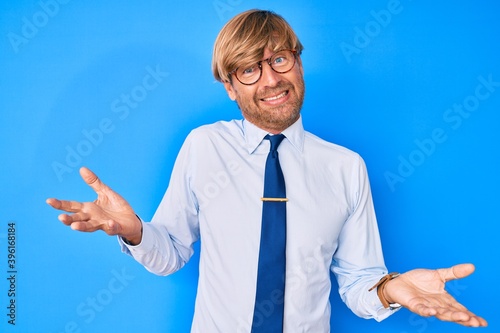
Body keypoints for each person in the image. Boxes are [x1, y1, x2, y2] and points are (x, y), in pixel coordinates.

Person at [46, 9, 487, 332]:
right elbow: (172, 252)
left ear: (297, 63)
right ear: (231, 88)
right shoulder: (205, 147)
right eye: (249, 69)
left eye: (280, 60)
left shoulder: (345, 168)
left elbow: (358, 283)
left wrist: (393, 288)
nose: (271, 79)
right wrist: (136, 230)